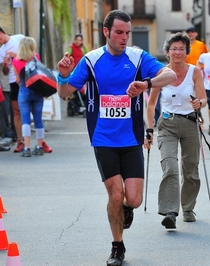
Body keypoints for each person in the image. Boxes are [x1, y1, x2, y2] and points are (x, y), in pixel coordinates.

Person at [57, 10, 176, 266]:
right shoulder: (91, 60)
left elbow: (171, 76)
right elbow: (64, 93)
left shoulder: (137, 57)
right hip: (103, 139)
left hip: (132, 138)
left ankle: (126, 209)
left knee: (132, 198)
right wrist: (63, 75)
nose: (124, 38)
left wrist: (146, 84)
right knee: (114, 195)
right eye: (119, 32)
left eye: (127, 33)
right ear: (106, 32)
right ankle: (117, 247)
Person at [144, 32, 207, 229]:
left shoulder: (195, 72)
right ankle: (170, 211)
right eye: (174, 49)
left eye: (181, 49)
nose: (178, 52)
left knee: (191, 170)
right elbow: (151, 104)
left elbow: (204, 99)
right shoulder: (161, 73)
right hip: (167, 125)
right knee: (169, 166)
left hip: (190, 123)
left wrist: (199, 103)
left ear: (187, 52)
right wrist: (149, 129)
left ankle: (188, 208)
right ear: (168, 52)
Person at [12, 37, 52, 157]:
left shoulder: (16, 61)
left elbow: (17, 80)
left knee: (25, 120)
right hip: (37, 92)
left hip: (24, 91)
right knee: (38, 120)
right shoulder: (36, 58)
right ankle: (39, 146)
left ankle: (26, 148)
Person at [0, 25, 25, 152]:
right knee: (16, 111)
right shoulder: (2, 50)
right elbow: (5, 71)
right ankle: (20, 141)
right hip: (13, 81)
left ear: (1, 33)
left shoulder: (19, 38)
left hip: (26, 78)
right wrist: (4, 63)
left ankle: (36, 140)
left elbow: (32, 55)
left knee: (29, 109)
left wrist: (16, 56)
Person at [185, 26, 209, 124]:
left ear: (196, 34)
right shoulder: (184, 45)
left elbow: (208, 56)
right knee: (189, 93)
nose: (190, 34)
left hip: (199, 73)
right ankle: (195, 112)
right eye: (188, 32)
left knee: (198, 94)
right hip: (186, 73)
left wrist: (205, 68)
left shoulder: (201, 45)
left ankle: (198, 112)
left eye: (192, 32)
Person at [66, 34, 89, 116]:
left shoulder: (83, 48)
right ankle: (71, 108)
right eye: (77, 40)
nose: (78, 41)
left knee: (82, 91)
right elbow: (67, 56)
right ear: (74, 40)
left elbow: (88, 55)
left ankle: (80, 106)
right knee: (73, 91)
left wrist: (84, 48)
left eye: (80, 40)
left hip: (82, 71)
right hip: (73, 72)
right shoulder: (71, 47)